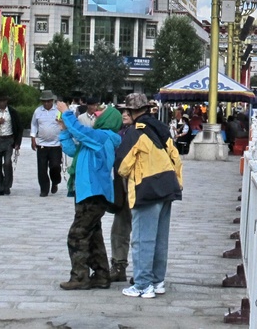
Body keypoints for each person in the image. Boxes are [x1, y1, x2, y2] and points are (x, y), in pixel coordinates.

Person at [116, 92, 183, 299]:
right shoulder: (161, 128)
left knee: (142, 239)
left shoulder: (136, 132)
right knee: (160, 239)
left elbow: (123, 164)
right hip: (167, 186)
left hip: (146, 189)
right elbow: (176, 158)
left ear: (131, 111)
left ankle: (143, 284)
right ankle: (157, 280)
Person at [56, 101, 123, 290]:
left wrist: (66, 113)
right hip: (88, 193)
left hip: (93, 193)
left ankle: (79, 277)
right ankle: (101, 275)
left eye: (102, 113)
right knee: (93, 234)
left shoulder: (103, 137)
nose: (97, 114)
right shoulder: (96, 139)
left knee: (77, 234)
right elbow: (73, 150)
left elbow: (80, 131)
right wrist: (64, 130)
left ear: (109, 119)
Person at [109, 107, 135, 283]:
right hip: (122, 185)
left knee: (142, 231)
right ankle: (119, 266)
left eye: (129, 112)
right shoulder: (120, 133)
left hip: (140, 186)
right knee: (119, 227)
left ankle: (145, 271)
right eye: (123, 111)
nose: (124, 114)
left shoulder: (142, 133)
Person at [0, 94, 23, 196]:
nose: (2, 103)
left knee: (7, 163)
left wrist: (18, 143)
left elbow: (19, 128)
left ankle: (7, 186)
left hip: (9, 140)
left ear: (7, 101)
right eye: (0, 101)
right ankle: (0, 187)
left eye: (4, 101)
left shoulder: (12, 112)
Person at [31, 90, 63, 197]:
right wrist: (33, 138)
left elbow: (63, 126)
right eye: (44, 101)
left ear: (52, 101)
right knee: (42, 168)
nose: (46, 103)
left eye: (48, 101)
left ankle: (55, 181)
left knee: (55, 166)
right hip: (42, 145)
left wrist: (64, 140)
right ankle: (44, 189)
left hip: (56, 144)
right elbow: (34, 125)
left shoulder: (58, 111)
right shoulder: (38, 111)